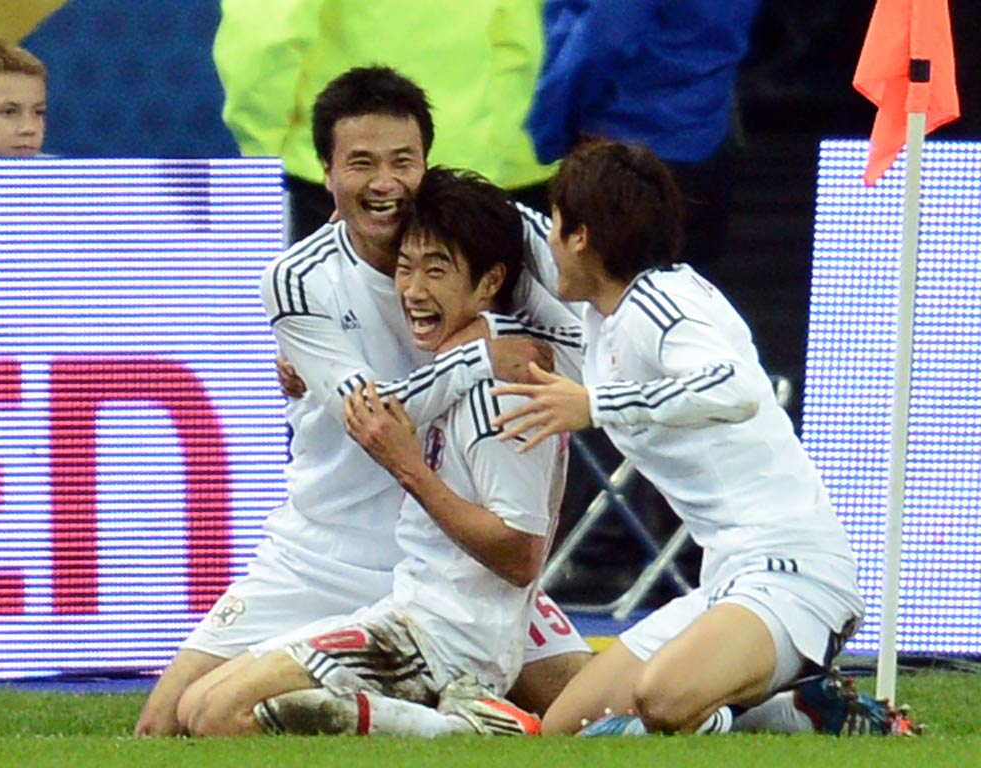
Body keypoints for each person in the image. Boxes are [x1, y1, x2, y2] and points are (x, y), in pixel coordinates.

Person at [134, 66, 591, 738]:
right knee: (165, 727)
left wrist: (525, 348)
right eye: (362, 164)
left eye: (403, 162)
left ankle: (763, 710)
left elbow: (582, 340)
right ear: (326, 173)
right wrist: (482, 352)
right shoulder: (298, 279)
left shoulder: (499, 234)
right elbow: (373, 420)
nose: (384, 184)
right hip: (325, 552)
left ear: (426, 163)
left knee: (603, 710)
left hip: (454, 561)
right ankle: (451, 719)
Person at [492, 139, 914, 737]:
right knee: (567, 728)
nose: (551, 243)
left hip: (793, 573)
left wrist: (596, 405)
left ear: (582, 237)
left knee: (661, 700)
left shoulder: (664, 303)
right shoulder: (605, 311)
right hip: (724, 580)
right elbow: (512, 224)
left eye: (560, 227)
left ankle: (791, 708)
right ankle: (789, 707)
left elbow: (735, 387)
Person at [212, 0, 555, 242]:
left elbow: (266, 33)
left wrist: (265, 145)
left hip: (339, 171)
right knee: (468, 338)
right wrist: (499, 145)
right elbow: (521, 39)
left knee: (336, 337)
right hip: (485, 171)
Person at [526, 0, 761, 275]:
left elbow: (605, 40)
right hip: (704, 144)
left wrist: (550, 127)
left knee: (610, 293)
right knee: (682, 295)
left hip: (624, 157)